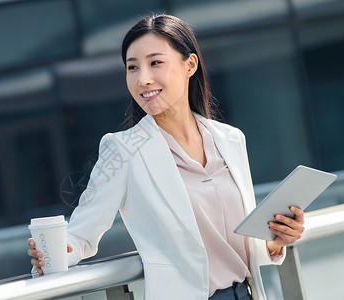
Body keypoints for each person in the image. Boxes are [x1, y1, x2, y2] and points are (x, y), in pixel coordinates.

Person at [28, 14, 305, 300]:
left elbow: (227, 242)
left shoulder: (230, 139)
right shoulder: (123, 150)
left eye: (155, 63)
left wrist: (274, 242)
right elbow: (82, 233)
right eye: (132, 68)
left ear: (190, 65)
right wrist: (56, 252)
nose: (143, 79)